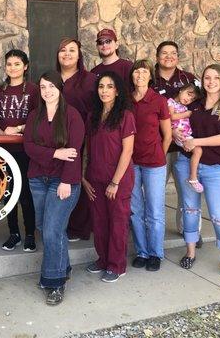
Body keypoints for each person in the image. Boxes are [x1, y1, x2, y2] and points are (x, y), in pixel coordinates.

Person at [174, 64, 220, 277]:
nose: (211, 82)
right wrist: (177, 133)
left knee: (219, 215)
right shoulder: (197, 103)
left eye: (215, 78)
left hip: (214, 168)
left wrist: (196, 142)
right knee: (190, 210)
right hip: (187, 163)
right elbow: (181, 122)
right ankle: (191, 252)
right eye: (206, 78)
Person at [24, 71, 85, 306]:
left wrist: (67, 181)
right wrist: (54, 153)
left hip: (63, 181)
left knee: (52, 231)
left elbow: (74, 152)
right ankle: (63, 266)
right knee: (45, 227)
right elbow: (28, 146)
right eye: (42, 87)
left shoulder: (72, 116)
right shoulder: (34, 116)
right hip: (38, 179)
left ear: (60, 88)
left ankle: (54, 282)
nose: (47, 91)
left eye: (51, 86)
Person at [83, 71, 135, 283]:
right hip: (95, 177)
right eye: (101, 86)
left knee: (117, 223)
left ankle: (116, 265)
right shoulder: (93, 116)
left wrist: (115, 182)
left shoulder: (125, 115)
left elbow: (127, 151)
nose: (104, 90)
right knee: (100, 221)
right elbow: (87, 147)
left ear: (117, 90)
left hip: (118, 179)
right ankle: (103, 259)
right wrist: (83, 176)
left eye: (109, 86)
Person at [152, 41, 201, 240]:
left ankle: (190, 231)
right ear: (157, 57)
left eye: (173, 53)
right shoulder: (148, 78)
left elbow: (200, 109)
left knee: (188, 193)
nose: (169, 56)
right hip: (158, 145)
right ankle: (153, 233)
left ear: (178, 57)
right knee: (154, 193)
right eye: (164, 53)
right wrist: (170, 131)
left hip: (184, 147)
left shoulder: (189, 80)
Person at [0, 49, 39, 252]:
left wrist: (19, 129)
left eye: (17, 64)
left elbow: (38, 118)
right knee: (7, 193)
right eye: (9, 64)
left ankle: (29, 234)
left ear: (25, 66)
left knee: (26, 194)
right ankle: (14, 233)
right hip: (3, 150)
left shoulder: (34, 90)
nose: (13, 68)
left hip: (25, 150)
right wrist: (0, 133)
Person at [129, 59, 172, 272]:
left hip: (154, 164)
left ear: (150, 76)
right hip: (131, 163)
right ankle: (142, 251)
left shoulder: (158, 101)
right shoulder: (126, 100)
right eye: (136, 72)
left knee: (154, 210)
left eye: (144, 72)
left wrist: (160, 155)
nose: (140, 75)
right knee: (135, 209)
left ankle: (155, 253)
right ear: (132, 76)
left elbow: (168, 134)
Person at [55, 37, 96, 242]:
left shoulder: (89, 80)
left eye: (72, 50)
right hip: (54, 142)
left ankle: (79, 227)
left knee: (78, 180)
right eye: (63, 50)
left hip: (82, 139)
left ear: (79, 55)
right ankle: (58, 224)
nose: (67, 54)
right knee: (57, 183)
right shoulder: (51, 78)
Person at [167, 83, 203, 193]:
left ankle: (194, 175)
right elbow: (171, 116)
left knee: (198, 150)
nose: (188, 99)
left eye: (192, 98)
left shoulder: (183, 106)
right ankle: (193, 177)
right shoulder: (170, 102)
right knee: (198, 150)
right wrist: (186, 114)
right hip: (180, 134)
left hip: (186, 135)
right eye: (188, 94)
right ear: (181, 90)